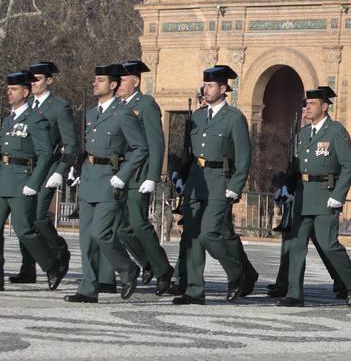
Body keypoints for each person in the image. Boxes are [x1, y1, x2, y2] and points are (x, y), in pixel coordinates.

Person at [172, 65, 254, 305]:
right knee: (193, 235)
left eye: (210, 86)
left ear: (223, 88)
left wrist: (236, 186)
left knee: (209, 233)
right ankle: (195, 291)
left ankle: (237, 272)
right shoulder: (197, 117)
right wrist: (180, 176)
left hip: (220, 181)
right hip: (196, 182)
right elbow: (188, 154)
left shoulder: (234, 118)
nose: (205, 89)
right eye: (204, 85)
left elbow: (243, 157)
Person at [64, 64, 147, 303]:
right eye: (94, 79)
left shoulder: (123, 114)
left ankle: (128, 269)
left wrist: (123, 175)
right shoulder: (90, 114)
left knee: (101, 233)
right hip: (90, 178)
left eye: (99, 80)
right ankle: (88, 288)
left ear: (112, 85)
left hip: (111, 179)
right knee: (86, 239)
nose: (94, 83)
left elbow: (140, 149)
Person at [0, 72, 66, 292]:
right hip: (2, 180)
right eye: (8, 89)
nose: (9, 93)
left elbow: (45, 154)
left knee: (24, 229)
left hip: (22, 179)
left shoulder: (35, 119)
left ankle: (52, 265)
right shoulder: (8, 119)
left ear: (25, 92)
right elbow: (3, 152)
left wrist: (34, 182)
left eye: (14, 89)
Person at [277, 86, 351, 307]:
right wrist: (287, 186)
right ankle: (294, 293)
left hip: (325, 194)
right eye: (306, 104)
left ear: (324, 107)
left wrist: (339, 194)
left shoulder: (335, 131)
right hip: (303, 196)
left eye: (312, 104)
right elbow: (297, 166)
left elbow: (349, 164)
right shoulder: (303, 133)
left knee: (328, 244)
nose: (307, 107)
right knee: (296, 245)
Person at [11, 61, 76, 287]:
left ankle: (59, 251)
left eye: (37, 79)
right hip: (24, 169)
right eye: (31, 80)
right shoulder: (25, 106)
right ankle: (27, 268)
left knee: (38, 217)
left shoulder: (59, 107)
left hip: (47, 169)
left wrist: (61, 171)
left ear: (49, 80)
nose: (33, 83)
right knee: (24, 219)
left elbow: (70, 144)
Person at [114, 60, 174, 295]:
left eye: (123, 81)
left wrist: (153, 176)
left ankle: (162, 270)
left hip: (140, 173)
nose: (118, 85)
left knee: (138, 223)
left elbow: (156, 142)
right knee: (121, 227)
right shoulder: (118, 106)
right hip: (122, 172)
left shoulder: (145, 104)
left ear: (136, 82)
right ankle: (148, 262)